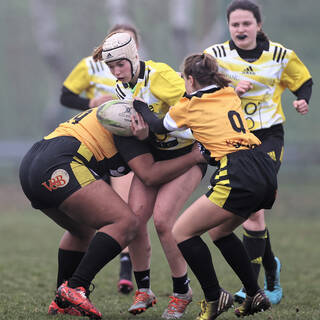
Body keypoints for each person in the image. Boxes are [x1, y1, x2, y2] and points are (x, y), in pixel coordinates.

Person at [19, 105, 205, 318]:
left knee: (83, 231)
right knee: (126, 222)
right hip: (60, 162)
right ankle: (76, 287)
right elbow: (149, 175)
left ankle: (62, 301)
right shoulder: (132, 121)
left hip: (33, 162)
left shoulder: (127, 107)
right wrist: (195, 157)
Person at [133, 52, 275, 319]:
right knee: (219, 232)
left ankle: (214, 296)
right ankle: (255, 293)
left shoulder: (189, 104)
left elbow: (157, 125)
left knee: (181, 232)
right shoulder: (228, 93)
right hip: (263, 167)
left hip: (238, 173)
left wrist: (139, 105)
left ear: (189, 80)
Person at [204, 0, 313, 305]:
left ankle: (252, 287)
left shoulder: (280, 55)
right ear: (229, 27)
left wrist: (302, 100)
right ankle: (270, 273)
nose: (240, 29)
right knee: (250, 210)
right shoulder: (214, 56)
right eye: (235, 24)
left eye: (246, 24)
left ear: (258, 25)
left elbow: (303, 82)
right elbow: (197, 91)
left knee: (252, 207)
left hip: (267, 138)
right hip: (232, 138)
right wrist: (228, 92)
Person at [93, 32, 207, 319]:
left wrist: (155, 128)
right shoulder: (122, 89)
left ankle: (182, 292)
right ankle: (145, 288)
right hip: (158, 156)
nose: (116, 72)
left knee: (163, 221)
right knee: (133, 219)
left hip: (187, 155)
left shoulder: (161, 76)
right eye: (111, 67)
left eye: (120, 65)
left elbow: (194, 110)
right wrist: (141, 135)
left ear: (132, 57)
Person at [60, 23, 141, 295]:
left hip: (123, 148)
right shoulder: (90, 66)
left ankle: (125, 272)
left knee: (124, 208)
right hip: (92, 146)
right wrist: (91, 104)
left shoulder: (147, 71)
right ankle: (73, 283)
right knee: (91, 220)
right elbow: (66, 96)